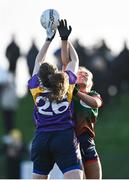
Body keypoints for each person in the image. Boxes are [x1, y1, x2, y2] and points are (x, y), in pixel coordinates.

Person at [28, 20, 83, 179]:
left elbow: (38, 61)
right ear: (56, 73)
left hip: (41, 139)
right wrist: (65, 38)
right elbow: (74, 61)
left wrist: (48, 39)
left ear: (40, 77)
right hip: (64, 136)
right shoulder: (66, 85)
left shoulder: (35, 87)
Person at [59, 19, 102, 179]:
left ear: (91, 83)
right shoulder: (69, 92)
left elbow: (95, 103)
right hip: (71, 142)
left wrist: (76, 92)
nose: (82, 74)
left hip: (88, 143)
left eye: (86, 74)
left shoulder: (93, 94)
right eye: (80, 73)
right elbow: (66, 63)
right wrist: (65, 41)